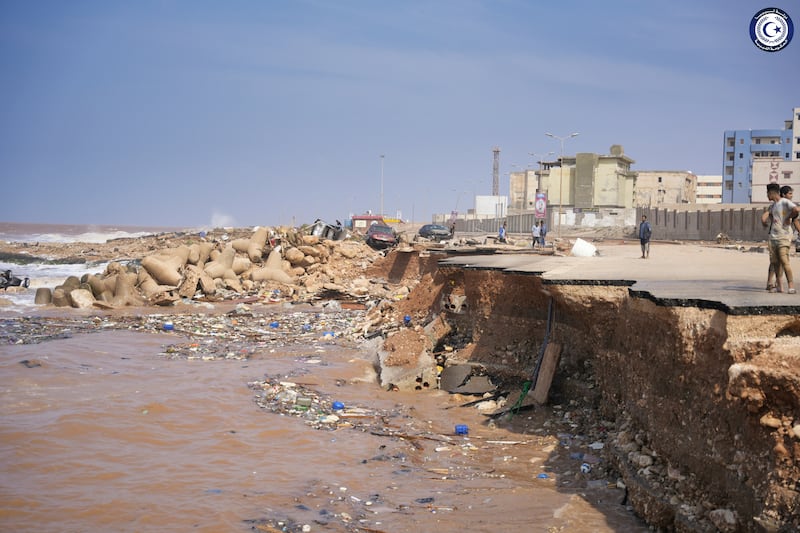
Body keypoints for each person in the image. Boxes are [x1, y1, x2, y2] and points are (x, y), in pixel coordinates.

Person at [761, 183, 800, 293]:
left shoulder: (785, 202)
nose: (766, 196)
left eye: (767, 193)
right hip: (773, 237)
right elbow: (767, 214)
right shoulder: (773, 205)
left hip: (784, 237)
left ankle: (791, 286)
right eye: (790, 193)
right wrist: (763, 220)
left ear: (771, 193)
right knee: (775, 262)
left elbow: (797, 210)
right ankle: (779, 286)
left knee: (784, 261)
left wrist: (788, 217)